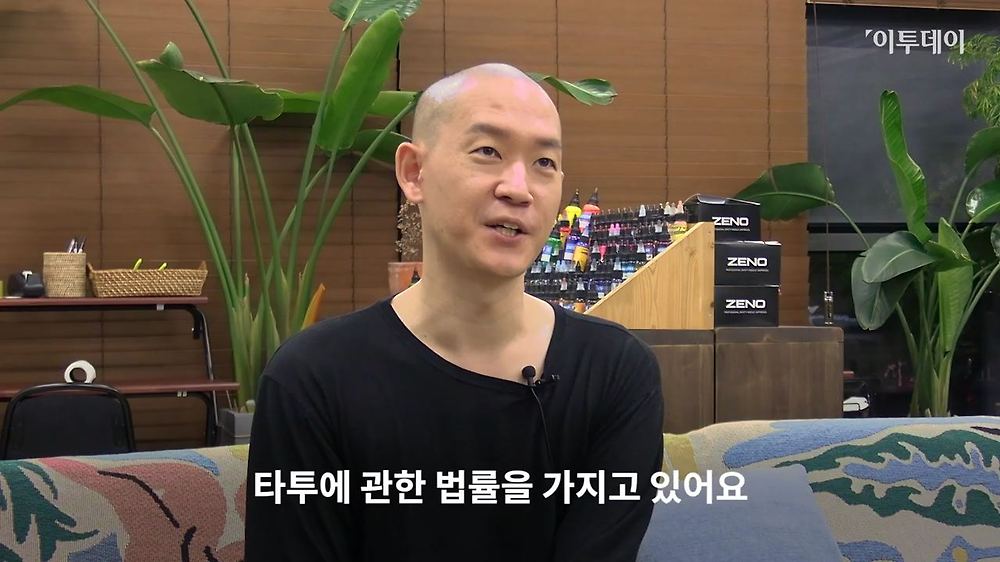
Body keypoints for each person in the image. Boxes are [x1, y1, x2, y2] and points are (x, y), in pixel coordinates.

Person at [245, 63, 664, 562]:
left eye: (544, 162)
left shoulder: (615, 371)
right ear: (414, 173)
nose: (519, 188)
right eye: (488, 151)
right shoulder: (313, 378)